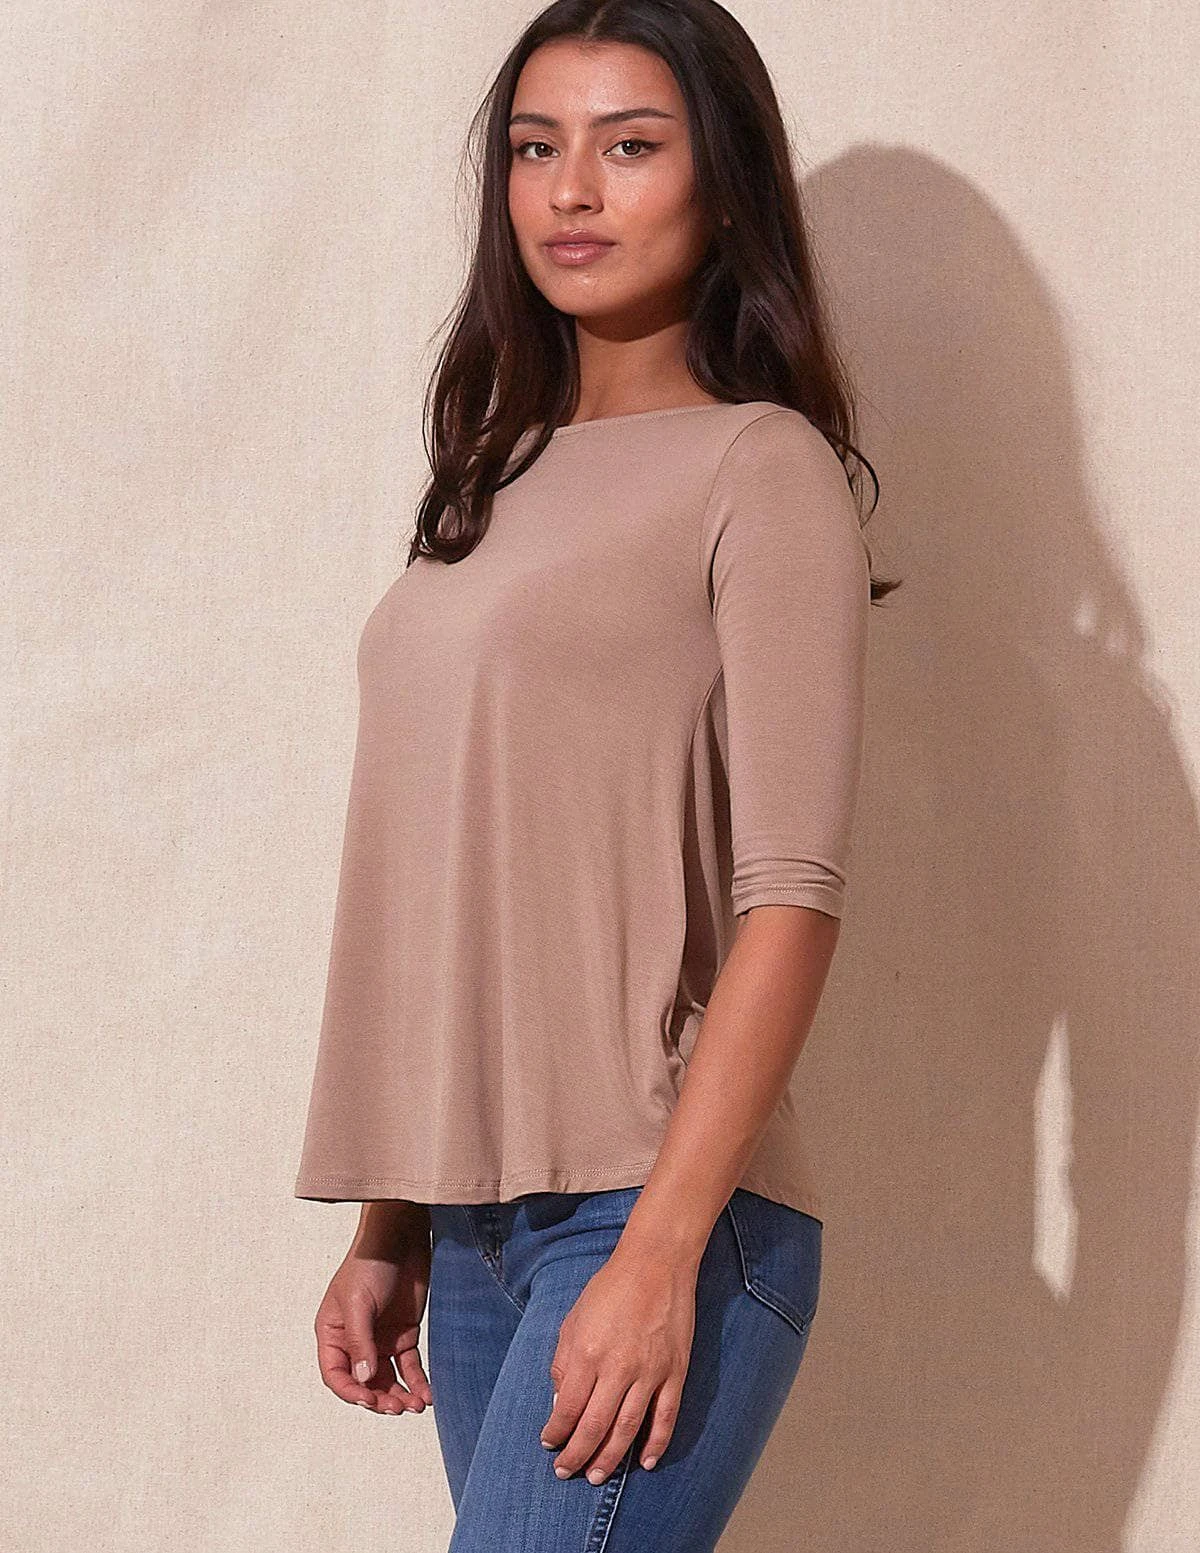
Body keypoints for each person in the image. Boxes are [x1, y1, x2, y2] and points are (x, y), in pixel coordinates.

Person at [293, 2, 897, 1547]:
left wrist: (663, 1252)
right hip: (476, 1231)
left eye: (630, 147)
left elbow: (794, 896)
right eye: (535, 147)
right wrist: (395, 1218)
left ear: (724, 185)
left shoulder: (758, 467)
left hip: (659, 1204)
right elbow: (465, 864)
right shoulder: (486, 477)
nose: (571, 189)